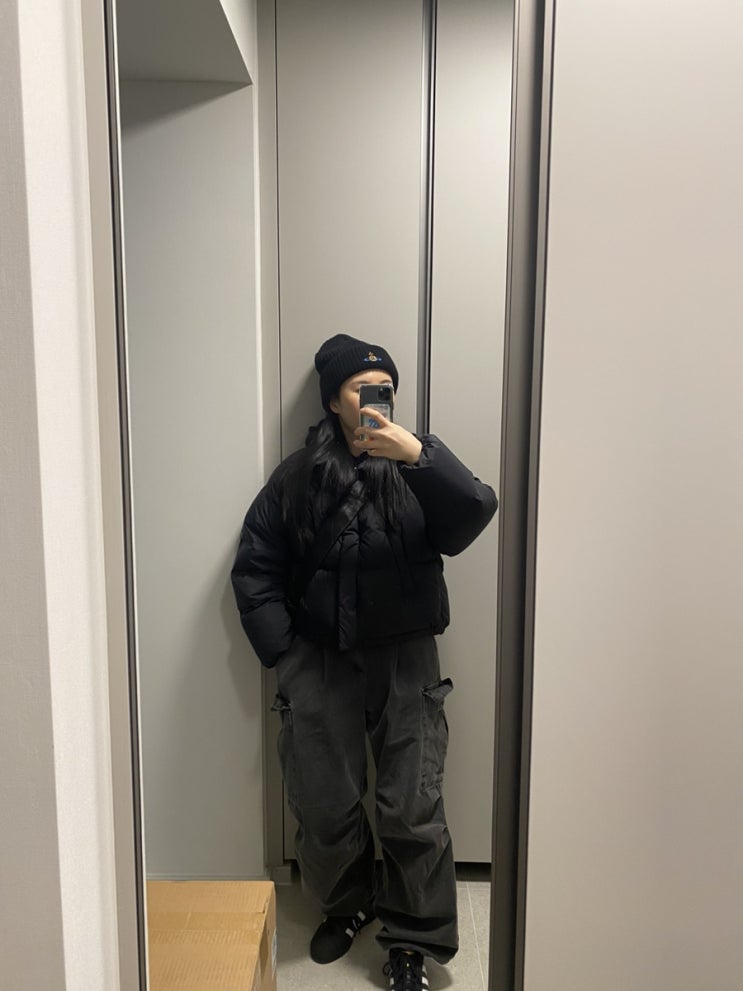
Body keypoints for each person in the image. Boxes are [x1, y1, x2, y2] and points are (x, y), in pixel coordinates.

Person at [231, 334, 497, 990]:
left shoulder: (417, 465)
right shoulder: (298, 475)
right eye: (362, 388)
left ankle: (412, 938)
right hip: (318, 659)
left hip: (406, 660)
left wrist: (418, 456)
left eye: (386, 389)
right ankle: (347, 905)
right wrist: (285, 652)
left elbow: (473, 514)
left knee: (411, 803)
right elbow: (256, 564)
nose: (377, 398)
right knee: (323, 799)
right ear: (333, 400)